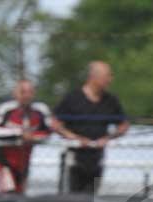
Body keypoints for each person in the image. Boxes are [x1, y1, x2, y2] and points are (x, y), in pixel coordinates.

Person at [52, 61, 129, 193]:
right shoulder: (72, 98)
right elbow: (55, 123)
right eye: (107, 76)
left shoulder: (111, 101)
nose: (110, 80)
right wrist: (75, 138)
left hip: (96, 159)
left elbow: (123, 125)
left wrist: (107, 138)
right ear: (94, 77)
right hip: (74, 158)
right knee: (69, 200)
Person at [0, 80, 52, 194]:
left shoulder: (40, 110)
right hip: (4, 162)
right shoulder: (6, 109)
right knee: (8, 193)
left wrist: (33, 137)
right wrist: (18, 133)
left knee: (20, 195)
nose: (26, 96)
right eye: (23, 92)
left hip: (24, 163)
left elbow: (48, 132)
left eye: (30, 92)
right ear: (15, 94)